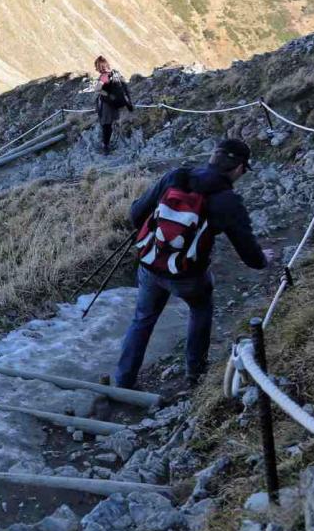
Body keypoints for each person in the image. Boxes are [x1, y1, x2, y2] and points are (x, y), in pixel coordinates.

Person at [112, 139, 275, 390]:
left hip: (151, 264)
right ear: (239, 168)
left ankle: (123, 380)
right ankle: (195, 373)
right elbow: (248, 252)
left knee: (142, 319)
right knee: (200, 311)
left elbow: (136, 214)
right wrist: (263, 260)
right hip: (188, 275)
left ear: (213, 157)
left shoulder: (177, 176)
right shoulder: (226, 200)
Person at [92, 56, 132, 155]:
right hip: (117, 103)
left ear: (99, 67)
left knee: (106, 125)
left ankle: (105, 146)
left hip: (107, 104)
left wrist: (106, 94)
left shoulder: (104, 76)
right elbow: (124, 87)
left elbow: (97, 89)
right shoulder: (115, 73)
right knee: (111, 124)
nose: (97, 69)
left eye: (97, 66)